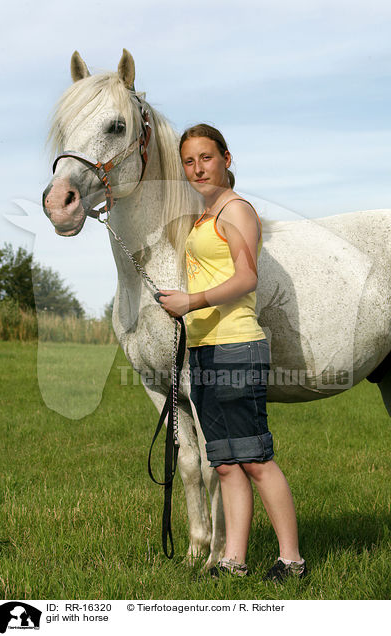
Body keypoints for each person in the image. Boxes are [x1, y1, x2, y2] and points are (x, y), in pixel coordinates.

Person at [158, 123, 306, 582]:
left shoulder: (236, 210)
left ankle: (291, 561)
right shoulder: (205, 217)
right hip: (204, 349)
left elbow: (247, 278)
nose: (198, 168)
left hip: (236, 346)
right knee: (224, 461)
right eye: (189, 161)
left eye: (206, 157)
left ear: (226, 158)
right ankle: (233, 560)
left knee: (255, 458)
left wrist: (191, 302)